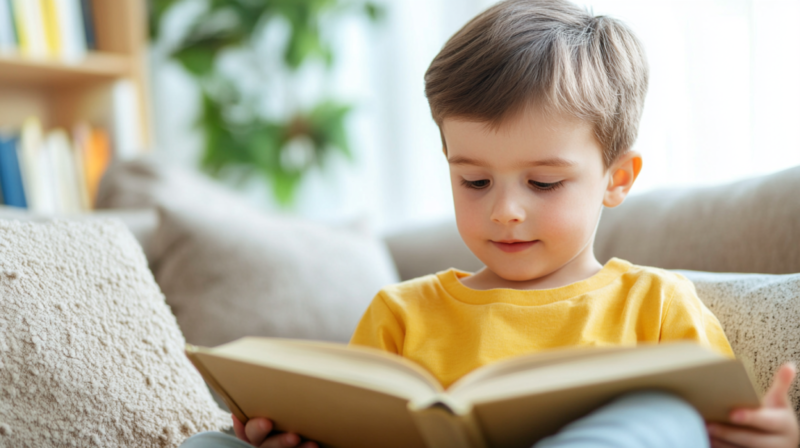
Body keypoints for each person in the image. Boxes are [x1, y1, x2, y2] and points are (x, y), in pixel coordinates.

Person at [185, 0, 799, 447]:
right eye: (474, 181)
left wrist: (772, 440)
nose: (504, 210)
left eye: (543, 182)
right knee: (211, 447)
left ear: (617, 178)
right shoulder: (399, 315)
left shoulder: (657, 304)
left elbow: (716, 431)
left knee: (659, 420)